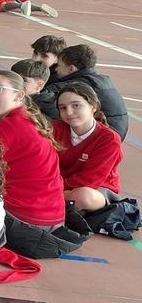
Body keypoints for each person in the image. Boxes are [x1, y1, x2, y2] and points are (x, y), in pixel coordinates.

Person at [0, 71, 76, 258]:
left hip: (27, 224)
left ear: (19, 95)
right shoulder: (27, 118)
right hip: (51, 219)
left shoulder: (9, 127)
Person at [53, 83, 124, 218]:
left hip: (96, 188)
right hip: (59, 185)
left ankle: (54, 200)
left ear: (93, 106)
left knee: (83, 196)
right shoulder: (54, 128)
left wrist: (51, 189)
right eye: (63, 108)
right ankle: (63, 204)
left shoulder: (109, 139)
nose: (68, 112)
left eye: (76, 105)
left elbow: (89, 179)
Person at [35, 44, 128, 140]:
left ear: (71, 68)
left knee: (37, 114)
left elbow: (43, 96)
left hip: (105, 135)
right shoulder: (97, 79)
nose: (56, 69)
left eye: (59, 65)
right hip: (113, 130)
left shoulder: (81, 84)